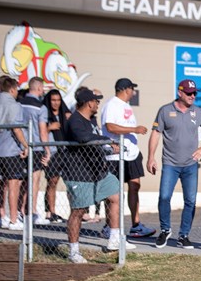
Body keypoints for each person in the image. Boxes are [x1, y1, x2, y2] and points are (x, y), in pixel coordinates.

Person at [63, 87, 135, 263]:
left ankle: (114, 239)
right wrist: (109, 141)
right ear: (89, 103)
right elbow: (83, 138)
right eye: (96, 101)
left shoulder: (92, 120)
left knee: (116, 196)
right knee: (78, 212)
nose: (98, 104)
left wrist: (109, 147)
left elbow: (96, 140)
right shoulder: (75, 120)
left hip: (99, 171)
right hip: (79, 173)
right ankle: (74, 251)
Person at [147, 79, 201, 249]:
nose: (193, 96)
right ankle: (165, 230)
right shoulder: (165, 111)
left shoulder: (199, 112)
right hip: (170, 163)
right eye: (189, 93)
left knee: (190, 201)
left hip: (190, 165)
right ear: (180, 92)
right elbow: (155, 134)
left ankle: (183, 235)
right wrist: (150, 157)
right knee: (164, 197)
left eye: (195, 93)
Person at [100, 78, 155, 238]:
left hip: (131, 153)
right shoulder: (112, 105)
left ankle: (136, 225)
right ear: (125, 89)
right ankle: (109, 226)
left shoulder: (126, 106)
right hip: (116, 156)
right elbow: (110, 126)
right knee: (113, 191)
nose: (133, 92)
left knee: (135, 186)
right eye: (132, 89)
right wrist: (134, 129)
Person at [18, 76, 51, 225]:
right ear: (38, 88)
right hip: (35, 146)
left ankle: (20, 211)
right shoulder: (41, 107)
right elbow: (42, 130)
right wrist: (47, 149)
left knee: (20, 180)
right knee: (34, 180)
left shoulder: (19, 104)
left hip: (19, 145)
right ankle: (30, 212)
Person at [0, 76, 29, 231]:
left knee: (0, 185)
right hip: (10, 149)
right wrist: (26, 145)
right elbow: (16, 128)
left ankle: (2, 216)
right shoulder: (15, 105)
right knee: (13, 183)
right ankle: (12, 219)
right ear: (12, 89)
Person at [43, 88, 70, 223]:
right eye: (53, 100)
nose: (56, 103)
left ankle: (74, 212)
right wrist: (49, 127)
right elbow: (39, 131)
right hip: (52, 152)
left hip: (65, 152)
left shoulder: (65, 114)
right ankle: (51, 212)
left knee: (70, 182)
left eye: (58, 100)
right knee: (52, 181)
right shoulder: (45, 114)